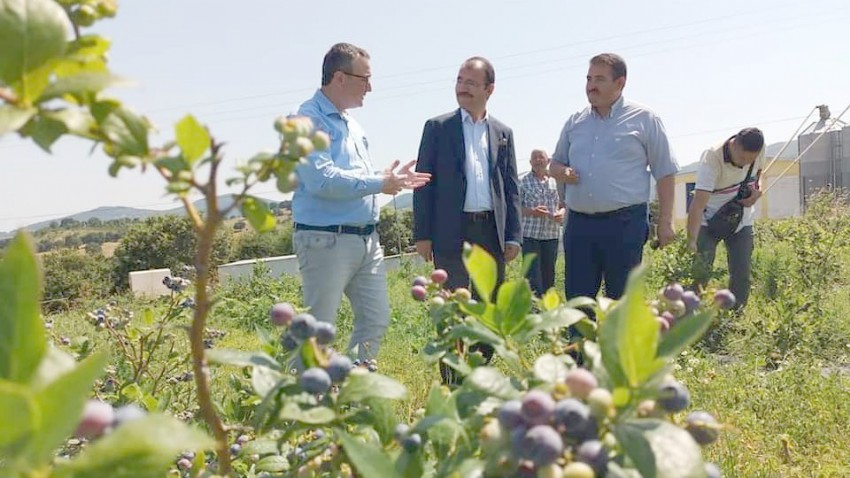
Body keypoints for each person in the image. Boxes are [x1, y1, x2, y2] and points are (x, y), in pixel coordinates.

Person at [291, 43, 430, 363]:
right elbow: (321, 180)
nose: (370, 86)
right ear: (340, 77)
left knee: (375, 319)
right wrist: (380, 183)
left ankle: (349, 394)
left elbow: (351, 176)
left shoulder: (352, 125)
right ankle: (303, 407)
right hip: (325, 239)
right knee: (318, 332)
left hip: (366, 239)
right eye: (364, 78)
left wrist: (384, 177)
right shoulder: (305, 120)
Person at [413, 56, 522, 383]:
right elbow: (423, 181)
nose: (463, 88)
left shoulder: (503, 132)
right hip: (451, 232)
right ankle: (452, 383)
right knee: (454, 310)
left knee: (489, 308)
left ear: (489, 89)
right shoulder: (438, 128)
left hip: (491, 231)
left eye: (471, 83)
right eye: (460, 81)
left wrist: (512, 234)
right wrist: (423, 233)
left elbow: (511, 186)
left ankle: (481, 378)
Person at [550, 53, 679, 302]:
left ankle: (617, 343)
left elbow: (665, 171)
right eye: (588, 78)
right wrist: (561, 172)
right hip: (579, 225)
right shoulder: (575, 122)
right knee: (578, 302)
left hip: (624, 224)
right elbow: (554, 163)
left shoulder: (644, 119)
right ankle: (578, 342)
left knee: (621, 301)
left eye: (599, 79)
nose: (591, 85)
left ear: (620, 83)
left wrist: (665, 221)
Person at [687, 127, 765, 310]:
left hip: (741, 219)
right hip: (708, 220)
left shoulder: (759, 150)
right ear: (734, 145)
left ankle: (735, 315)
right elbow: (697, 205)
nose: (745, 164)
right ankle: (689, 317)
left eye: (750, 160)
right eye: (743, 159)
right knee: (701, 272)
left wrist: (756, 193)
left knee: (742, 271)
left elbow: (759, 177)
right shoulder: (712, 158)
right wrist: (691, 241)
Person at [520, 149, 565, 296]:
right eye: (535, 158)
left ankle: (547, 310)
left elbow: (564, 205)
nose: (538, 160)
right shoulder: (523, 182)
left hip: (551, 235)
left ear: (548, 161)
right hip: (530, 235)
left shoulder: (556, 182)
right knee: (532, 276)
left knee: (548, 275)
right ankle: (534, 311)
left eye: (541, 157)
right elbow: (515, 208)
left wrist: (561, 214)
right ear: (530, 162)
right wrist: (533, 212)